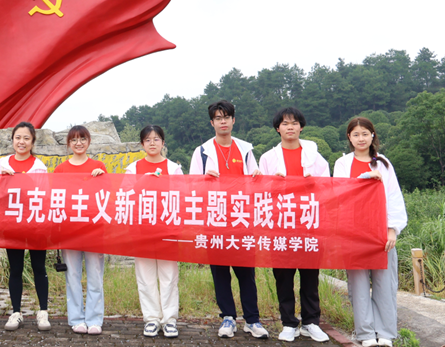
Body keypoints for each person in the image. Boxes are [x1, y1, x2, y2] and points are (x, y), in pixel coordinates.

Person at [188, 100, 268, 339]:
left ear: (233, 120)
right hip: (215, 218)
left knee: (246, 273)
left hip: (242, 218)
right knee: (220, 272)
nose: (222, 121)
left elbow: (256, 181)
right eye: (218, 118)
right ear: (211, 123)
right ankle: (228, 317)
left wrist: (257, 176)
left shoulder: (245, 149)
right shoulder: (202, 152)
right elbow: (191, 185)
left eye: (226, 117)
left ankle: (252, 319)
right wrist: (204, 179)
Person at [258, 107, 330, 343]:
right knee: (283, 276)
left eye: (295, 123)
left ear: (301, 127)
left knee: (310, 276)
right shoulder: (268, 158)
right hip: (281, 225)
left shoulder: (314, 157)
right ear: (277, 128)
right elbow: (261, 193)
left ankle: (311, 322)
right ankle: (289, 323)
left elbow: (328, 186)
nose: (290, 127)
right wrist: (273, 185)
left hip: (309, 223)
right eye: (285, 123)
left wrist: (314, 183)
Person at [333, 117, 407, 347]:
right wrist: (364, 178)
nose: (361, 138)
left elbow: (394, 197)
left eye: (365, 133)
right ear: (349, 137)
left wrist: (392, 230)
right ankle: (365, 334)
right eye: (356, 134)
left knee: (385, 283)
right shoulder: (342, 163)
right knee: (358, 285)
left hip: (380, 232)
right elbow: (339, 193)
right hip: (353, 232)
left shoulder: (383, 163)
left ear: (372, 135)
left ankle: (385, 333)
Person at [0, 122, 51, 331]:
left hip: (35, 224)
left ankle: (43, 312)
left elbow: (45, 196)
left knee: (39, 268)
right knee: (15, 268)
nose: (21, 142)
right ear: (12, 140)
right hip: (11, 224)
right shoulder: (2, 164)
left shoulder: (39, 166)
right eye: (18, 137)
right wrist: (3, 181)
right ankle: (16, 312)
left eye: (26, 138)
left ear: (33, 142)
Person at [125, 125, 182, 339]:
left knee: (169, 276)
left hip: (167, 228)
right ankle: (151, 319)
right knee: (145, 275)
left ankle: (169, 320)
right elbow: (124, 196)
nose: (152, 143)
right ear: (142, 144)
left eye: (156, 139)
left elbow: (183, 197)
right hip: (142, 229)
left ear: (163, 143)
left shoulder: (173, 168)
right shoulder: (133, 168)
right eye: (148, 139)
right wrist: (142, 182)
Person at [54, 125, 107, 336]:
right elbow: (56, 198)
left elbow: (106, 196)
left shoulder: (98, 166)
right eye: (74, 140)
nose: (78, 143)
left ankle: (94, 319)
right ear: (68, 144)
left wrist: (102, 178)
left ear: (89, 141)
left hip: (94, 230)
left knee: (95, 275)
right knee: (73, 276)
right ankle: (76, 319)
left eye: (83, 139)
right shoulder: (60, 169)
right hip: (70, 230)